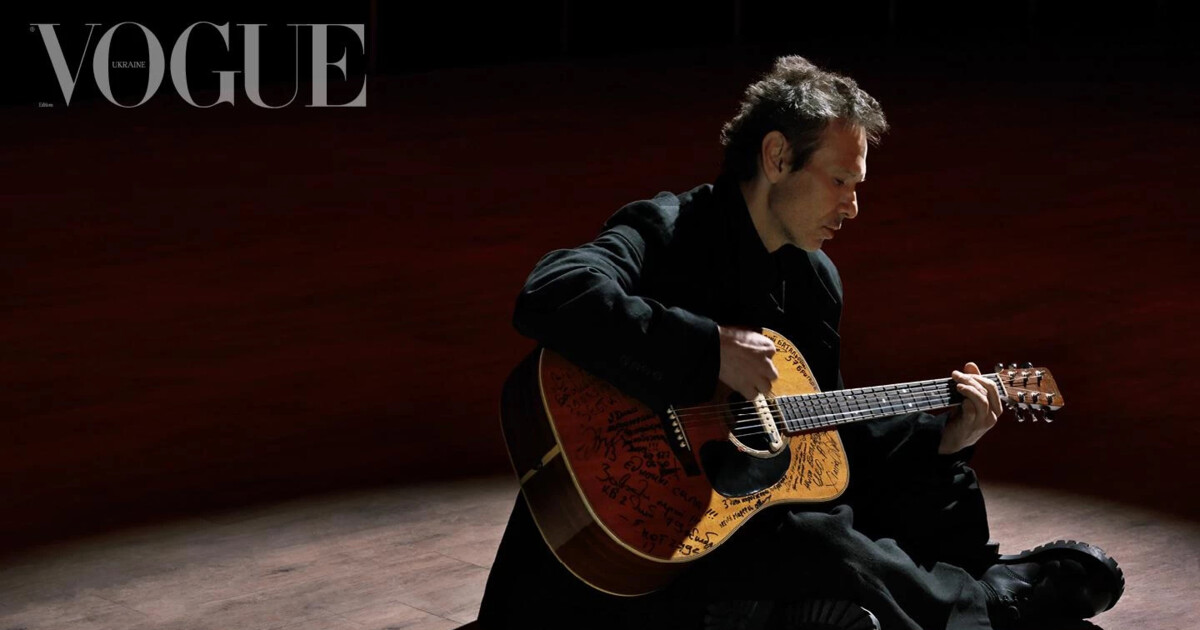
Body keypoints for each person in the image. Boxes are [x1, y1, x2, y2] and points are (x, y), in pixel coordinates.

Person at [478, 56, 1124, 630]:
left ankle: (948, 594)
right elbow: (552, 290)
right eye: (840, 181)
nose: (853, 207)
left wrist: (942, 437)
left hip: (736, 522)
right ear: (777, 157)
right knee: (822, 543)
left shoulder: (814, 282)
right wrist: (708, 350)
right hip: (623, 539)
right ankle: (999, 601)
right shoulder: (668, 230)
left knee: (857, 515)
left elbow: (824, 439)